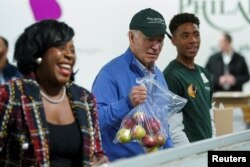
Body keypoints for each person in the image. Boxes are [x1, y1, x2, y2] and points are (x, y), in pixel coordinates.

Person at [0, 20, 108, 166]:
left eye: (72, 50)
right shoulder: (11, 95)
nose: (69, 55)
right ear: (38, 53)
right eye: (61, 47)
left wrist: (99, 160)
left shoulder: (85, 99)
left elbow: (96, 153)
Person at [92, 8, 174, 161]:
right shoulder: (109, 74)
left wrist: (173, 155)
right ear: (131, 37)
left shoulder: (159, 75)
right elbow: (95, 122)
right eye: (150, 39)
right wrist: (127, 103)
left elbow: (163, 126)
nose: (156, 46)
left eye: (160, 40)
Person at [163, 13, 215, 143]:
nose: (193, 40)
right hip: (190, 157)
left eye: (196, 34)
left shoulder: (205, 73)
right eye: (185, 36)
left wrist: (213, 146)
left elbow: (210, 117)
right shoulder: (171, 76)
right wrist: (191, 157)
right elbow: (173, 129)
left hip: (206, 151)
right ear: (173, 40)